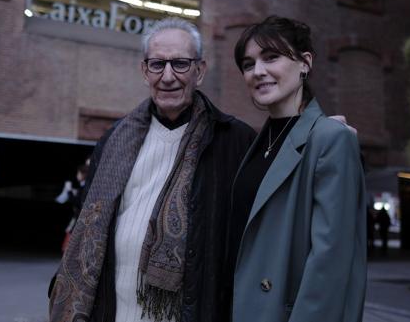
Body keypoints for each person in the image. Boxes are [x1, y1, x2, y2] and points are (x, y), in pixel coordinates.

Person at [48, 18, 256, 322]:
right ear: (144, 72)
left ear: (200, 71)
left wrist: (314, 132)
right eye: (157, 64)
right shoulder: (115, 138)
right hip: (112, 310)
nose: (168, 76)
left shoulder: (234, 140)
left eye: (181, 64)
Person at [228, 16, 367, 322]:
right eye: (248, 64)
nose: (258, 72)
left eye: (271, 57)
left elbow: (329, 265)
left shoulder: (331, 139)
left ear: (305, 63)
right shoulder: (260, 139)